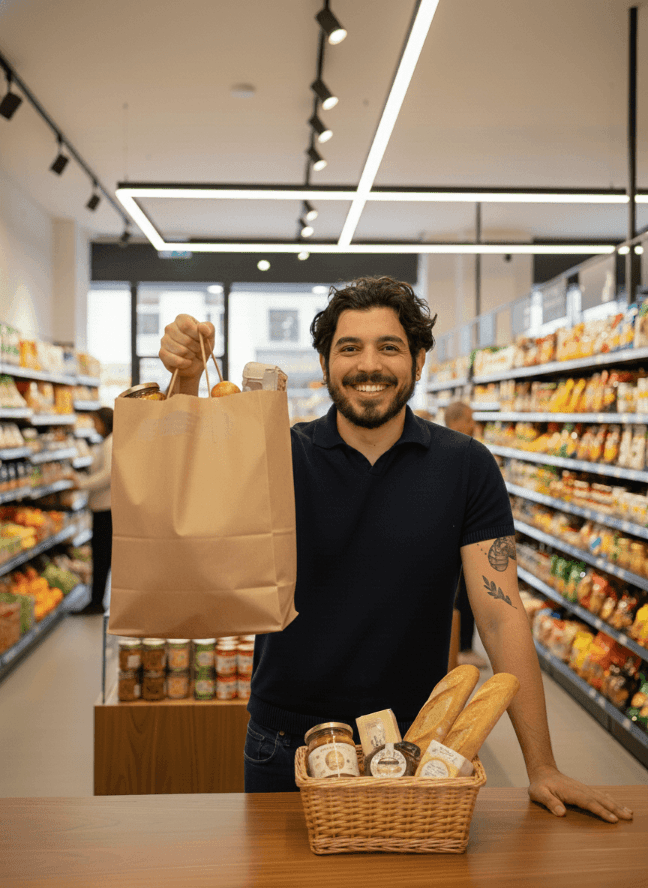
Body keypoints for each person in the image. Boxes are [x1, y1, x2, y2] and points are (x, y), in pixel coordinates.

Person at [159, 276, 632, 824]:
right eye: (349, 347)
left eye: (389, 347)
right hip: (287, 742)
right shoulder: (279, 454)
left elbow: (502, 617)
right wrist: (186, 381)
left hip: (416, 746)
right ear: (324, 361)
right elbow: (186, 495)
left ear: (420, 361)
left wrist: (543, 766)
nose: (369, 365)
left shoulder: (466, 466)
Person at [444, 401, 487, 669]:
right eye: (470, 419)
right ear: (458, 420)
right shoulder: (463, 451)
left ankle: (460, 647)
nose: (473, 424)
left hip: (459, 537)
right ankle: (462, 649)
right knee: (463, 596)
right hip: (460, 540)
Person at [70, 406, 113, 615]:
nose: (93, 426)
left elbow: (107, 475)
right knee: (102, 556)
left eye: (96, 421)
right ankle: (96, 600)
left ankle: (97, 601)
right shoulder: (105, 442)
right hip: (103, 508)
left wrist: (82, 484)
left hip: (106, 509)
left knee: (102, 556)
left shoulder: (110, 442)